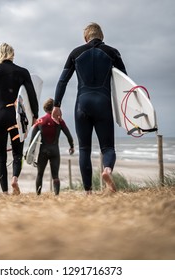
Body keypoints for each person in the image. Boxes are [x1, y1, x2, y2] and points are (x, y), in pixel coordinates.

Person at [51, 22, 127, 195]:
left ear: (86, 38)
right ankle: (107, 170)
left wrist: (57, 105)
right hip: (103, 104)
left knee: (84, 149)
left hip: (82, 105)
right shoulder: (112, 52)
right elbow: (125, 81)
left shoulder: (75, 53)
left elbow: (62, 81)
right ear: (102, 37)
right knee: (107, 148)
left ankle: (88, 192)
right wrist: (127, 109)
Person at [0, 43, 39, 195]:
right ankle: (14, 178)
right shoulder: (23, 72)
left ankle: (5, 192)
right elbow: (32, 96)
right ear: (12, 54)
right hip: (16, 118)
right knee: (17, 154)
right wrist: (35, 115)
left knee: (1, 157)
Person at [29, 98, 74, 195]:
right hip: (54, 150)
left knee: (40, 174)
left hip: (43, 151)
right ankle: (56, 196)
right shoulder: (59, 120)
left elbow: (32, 140)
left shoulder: (40, 121)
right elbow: (68, 135)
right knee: (55, 176)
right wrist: (72, 146)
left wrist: (30, 153)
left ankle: (38, 196)